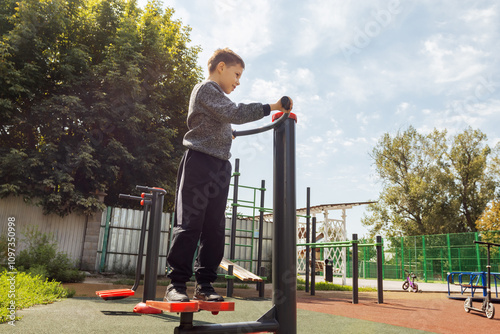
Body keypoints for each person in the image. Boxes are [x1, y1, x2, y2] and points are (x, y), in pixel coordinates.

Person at [165, 47, 293, 302]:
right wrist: (274, 106)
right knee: (190, 224)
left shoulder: (217, 101)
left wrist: (228, 132)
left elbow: (222, 121)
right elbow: (233, 112)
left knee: (214, 228)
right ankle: (177, 285)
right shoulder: (206, 89)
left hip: (220, 166)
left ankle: (204, 285)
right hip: (199, 162)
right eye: (236, 74)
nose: (238, 82)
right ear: (221, 67)